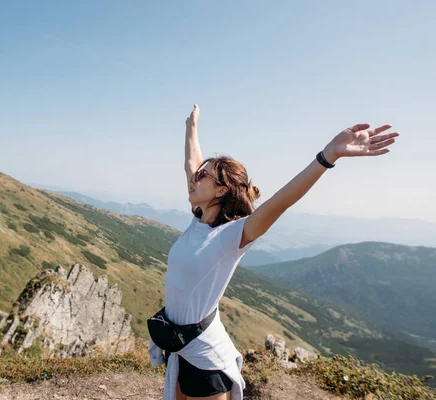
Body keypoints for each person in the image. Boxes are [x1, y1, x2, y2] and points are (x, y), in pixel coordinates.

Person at [148, 104, 399, 400]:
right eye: (197, 174)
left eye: (203, 176)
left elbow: (281, 201)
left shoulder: (233, 235)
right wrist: (192, 127)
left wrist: (327, 156)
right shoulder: (198, 220)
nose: (194, 178)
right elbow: (192, 162)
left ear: (220, 190)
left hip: (206, 360)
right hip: (180, 349)